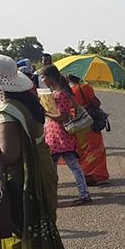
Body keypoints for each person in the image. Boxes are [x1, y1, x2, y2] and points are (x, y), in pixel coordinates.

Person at [0, 54, 81, 249]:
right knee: (41, 233)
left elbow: (9, 156)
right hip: (39, 174)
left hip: (21, 182)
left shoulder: (6, 113)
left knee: (19, 239)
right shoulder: (28, 104)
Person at [37, 64, 92, 205]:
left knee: (72, 166)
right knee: (57, 168)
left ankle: (83, 194)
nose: (42, 80)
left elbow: (62, 116)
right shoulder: (57, 92)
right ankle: (77, 194)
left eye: (43, 77)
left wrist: (45, 112)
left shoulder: (59, 94)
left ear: (50, 78)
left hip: (60, 136)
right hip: (55, 135)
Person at [67, 74, 109, 185]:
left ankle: (83, 174)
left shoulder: (67, 91)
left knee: (81, 150)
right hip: (89, 123)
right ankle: (94, 174)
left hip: (77, 124)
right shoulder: (85, 87)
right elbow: (96, 103)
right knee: (95, 148)